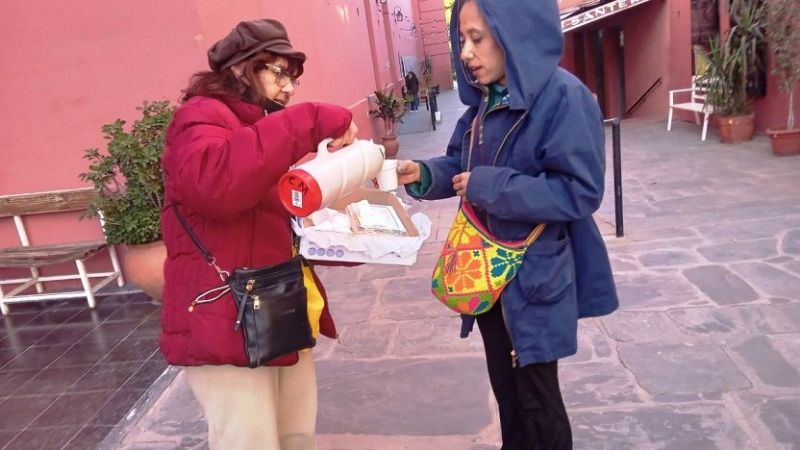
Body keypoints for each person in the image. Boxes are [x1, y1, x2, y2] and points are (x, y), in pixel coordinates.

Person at [397, 0, 618, 448]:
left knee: (538, 400)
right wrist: (422, 175)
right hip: (486, 274)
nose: (465, 52)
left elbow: (580, 192)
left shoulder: (564, 98)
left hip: (535, 279)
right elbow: (459, 163)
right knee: (507, 391)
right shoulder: (484, 102)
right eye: (461, 40)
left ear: (513, 32)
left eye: (477, 38)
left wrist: (491, 187)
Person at [159, 18, 358, 450]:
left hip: (277, 306)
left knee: (295, 435)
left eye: (293, 77)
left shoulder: (259, 127)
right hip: (225, 316)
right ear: (238, 69)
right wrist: (314, 118)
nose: (288, 88)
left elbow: (273, 215)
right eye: (278, 73)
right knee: (249, 441)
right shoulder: (198, 118)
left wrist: (350, 235)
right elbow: (218, 183)